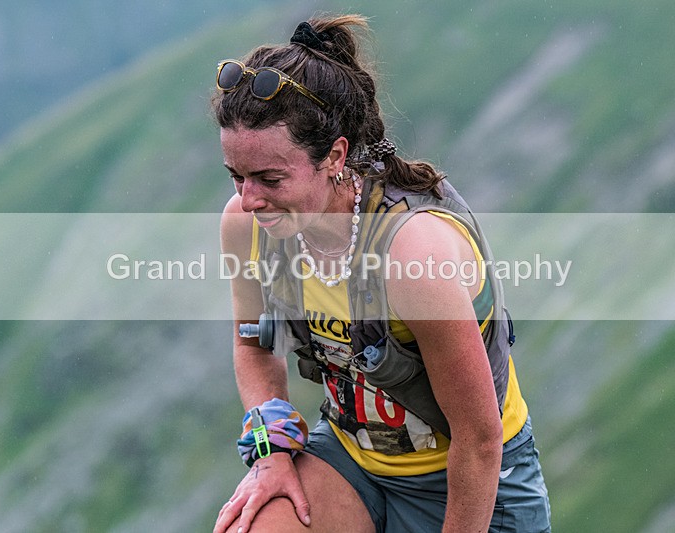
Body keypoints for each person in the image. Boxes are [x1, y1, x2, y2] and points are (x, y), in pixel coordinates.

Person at [212, 14, 551, 533]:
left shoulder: (413, 253)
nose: (249, 199)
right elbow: (254, 346)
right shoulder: (245, 224)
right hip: (353, 463)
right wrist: (270, 452)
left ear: (335, 156)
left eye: (270, 179)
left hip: (473, 477)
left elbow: (480, 439)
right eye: (237, 176)